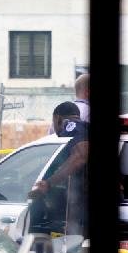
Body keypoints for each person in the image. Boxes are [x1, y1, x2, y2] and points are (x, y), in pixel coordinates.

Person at [29, 101, 89, 237]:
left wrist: (48, 183)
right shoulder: (84, 128)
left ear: (57, 118)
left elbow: (80, 156)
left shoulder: (70, 126)